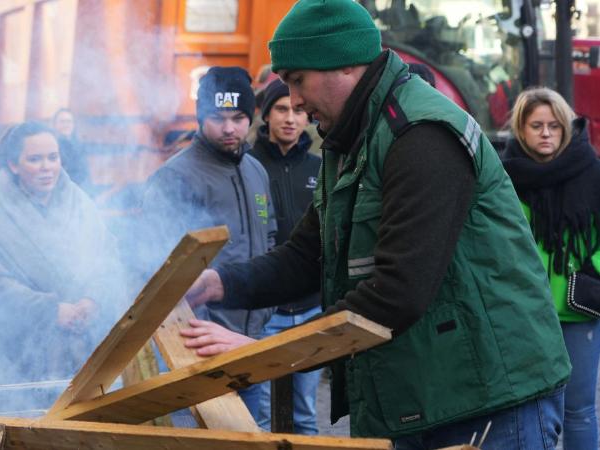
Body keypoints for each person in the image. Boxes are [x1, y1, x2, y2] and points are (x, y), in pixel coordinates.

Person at [181, 1, 571, 447]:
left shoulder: (421, 134)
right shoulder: (350, 141)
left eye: (296, 80)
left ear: (343, 65)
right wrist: (217, 283)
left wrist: (262, 354)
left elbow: (397, 293)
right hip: (420, 394)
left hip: (488, 399)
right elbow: (307, 255)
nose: (294, 101)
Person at [142, 66, 277, 417]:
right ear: (202, 117)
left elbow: (270, 238)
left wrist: (267, 314)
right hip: (198, 344)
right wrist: (195, 326)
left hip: (251, 341)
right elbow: (157, 264)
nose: (230, 128)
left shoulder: (256, 171)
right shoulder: (174, 177)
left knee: (251, 436)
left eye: (238, 117)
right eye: (218, 118)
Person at [0, 121, 125, 389]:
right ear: (14, 165)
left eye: (53, 157)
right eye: (35, 159)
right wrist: (49, 311)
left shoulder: (80, 202)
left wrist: (93, 298)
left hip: (82, 346)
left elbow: (107, 255)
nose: (47, 167)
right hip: (19, 355)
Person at [502, 87, 600, 450]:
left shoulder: (591, 171)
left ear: (566, 128)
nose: (546, 133)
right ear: (521, 129)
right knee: (529, 410)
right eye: (536, 125)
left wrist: (588, 268)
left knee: (579, 411)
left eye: (554, 126)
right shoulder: (504, 177)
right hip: (523, 311)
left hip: (578, 311)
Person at [248, 78, 321, 435]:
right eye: (281, 109)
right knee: (259, 418)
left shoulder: (320, 168)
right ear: (265, 114)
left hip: (310, 309)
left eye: (297, 110)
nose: (290, 118)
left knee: (305, 415)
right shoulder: (248, 167)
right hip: (265, 313)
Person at [52, 108, 90, 189]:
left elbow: (85, 172)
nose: (66, 125)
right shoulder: (52, 146)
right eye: (62, 121)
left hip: (79, 189)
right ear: (55, 124)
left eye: (69, 121)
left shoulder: (79, 145)